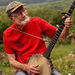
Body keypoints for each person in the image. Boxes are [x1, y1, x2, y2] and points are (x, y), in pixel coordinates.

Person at [3, 1, 72, 75]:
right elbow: (12, 62)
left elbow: (61, 36)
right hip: (24, 70)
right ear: (12, 19)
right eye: (19, 13)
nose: (23, 15)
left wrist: (66, 27)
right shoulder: (7, 34)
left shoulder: (38, 22)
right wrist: (26, 67)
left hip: (43, 66)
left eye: (24, 10)